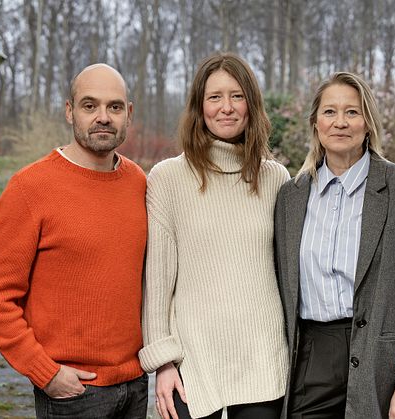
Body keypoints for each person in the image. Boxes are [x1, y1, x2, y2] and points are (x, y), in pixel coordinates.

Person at [0, 63, 148, 419]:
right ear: (70, 111)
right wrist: (45, 372)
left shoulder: (138, 183)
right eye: (89, 105)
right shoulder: (30, 188)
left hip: (135, 384)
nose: (103, 117)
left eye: (114, 107)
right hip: (73, 393)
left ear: (128, 114)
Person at [274, 72, 395, 419]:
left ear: (368, 123)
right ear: (315, 123)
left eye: (352, 112)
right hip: (310, 357)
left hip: (380, 364)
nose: (340, 122)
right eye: (330, 112)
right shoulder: (290, 197)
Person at [139, 52, 290, 419]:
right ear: (199, 106)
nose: (226, 107)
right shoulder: (167, 178)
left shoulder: (275, 179)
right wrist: (163, 363)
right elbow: (157, 282)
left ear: (251, 105)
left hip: (261, 356)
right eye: (215, 97)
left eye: (237, 96)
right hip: (192, 359)